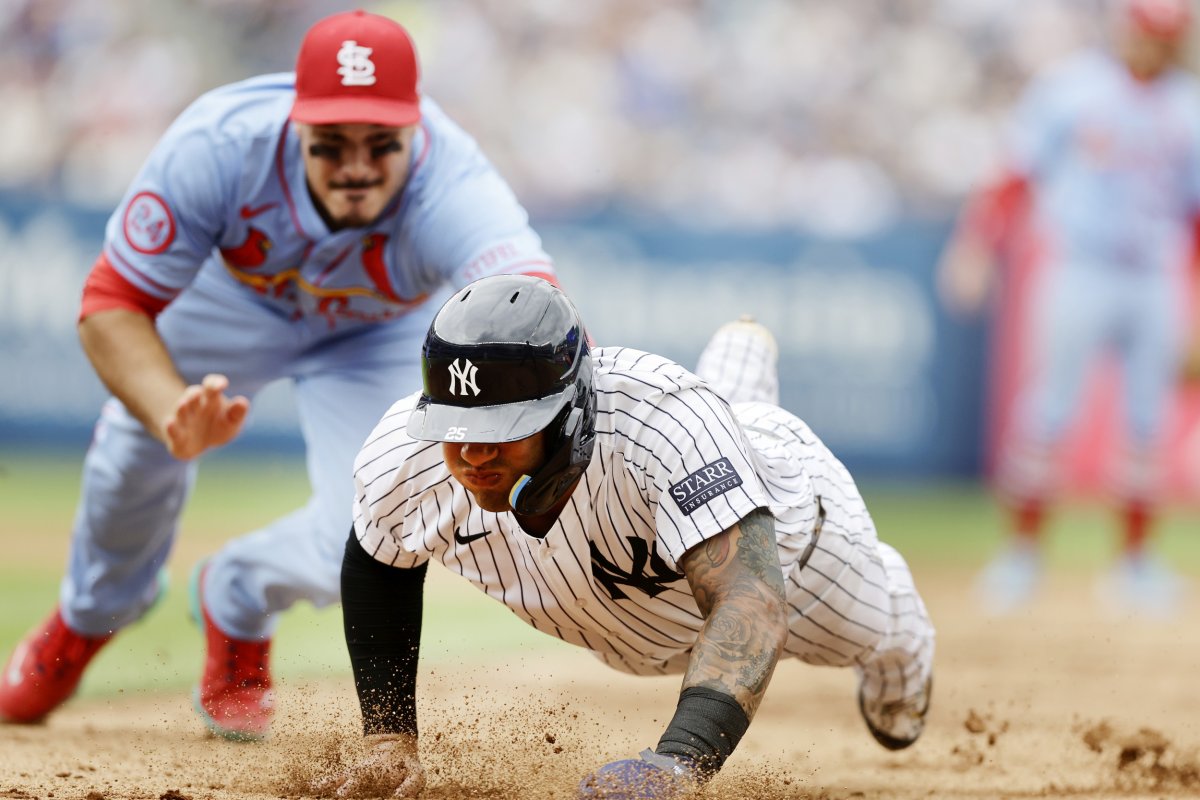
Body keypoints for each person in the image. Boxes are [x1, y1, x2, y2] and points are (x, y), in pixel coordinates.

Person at [0, 10, 560, 740]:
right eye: (330, 144)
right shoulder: (220, 144)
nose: (356, 165)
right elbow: (111, 304)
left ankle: (236, 596)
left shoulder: (453, 181)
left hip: (373, 331)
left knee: (369, 528)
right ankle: (88, 617)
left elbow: (533, 309)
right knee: (132, 454)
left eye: (381, 143)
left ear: (416, 130)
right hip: (232, 302)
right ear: (293, 125)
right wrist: (170, 408)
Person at [318, 275, 935, 798]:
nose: (473, 452)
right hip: (632, 621)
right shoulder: (406, 456)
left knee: (868, 630)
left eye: (504, 426)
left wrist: (679, 764)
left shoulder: (663, 422)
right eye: (456, 426)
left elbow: (751, 600)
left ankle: (902, 625)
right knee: (697, 461)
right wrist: (388, 738)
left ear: (571, 410)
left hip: (801, 558)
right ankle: (733, 384)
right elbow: (378, 564)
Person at [937, 0, 1200, 616]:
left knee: (1146, 423)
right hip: (1080, 266)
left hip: (1153, 275)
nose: (1150, 46)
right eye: (1144, 33)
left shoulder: (1188, 106)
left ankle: (1135, 564)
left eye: (1162, 37)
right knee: (1049, 411)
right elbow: (1014, 173)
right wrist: (976, 246)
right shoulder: (1074, 88)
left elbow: (1195, 217)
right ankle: (1021, 556)